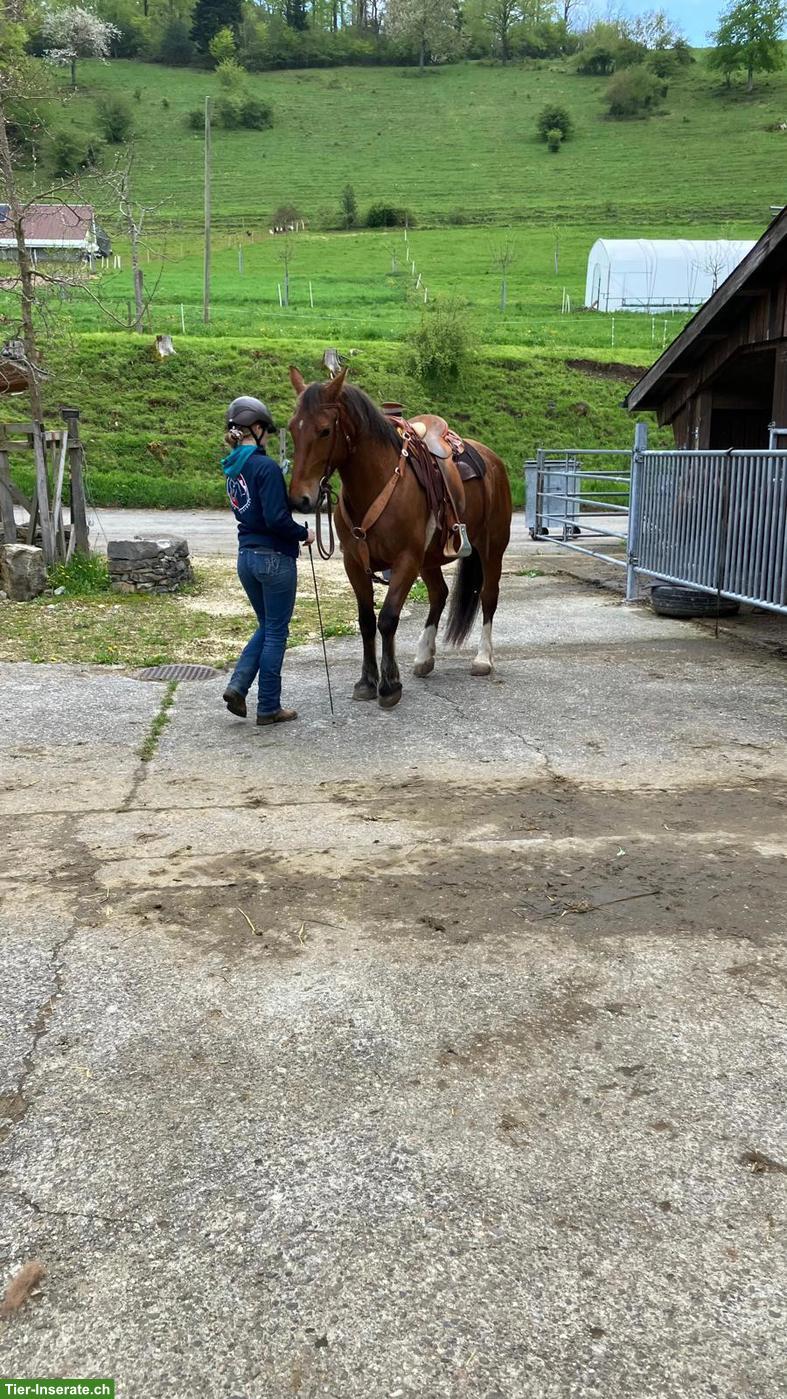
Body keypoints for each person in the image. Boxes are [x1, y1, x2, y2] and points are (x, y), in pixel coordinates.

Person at [221, 395, 315, 726]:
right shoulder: (265, 467)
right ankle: (269, 706)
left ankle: (238, 685)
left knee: (267, 626)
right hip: (274, 559)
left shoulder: (233, 467)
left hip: (246, 557)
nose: (268, 437)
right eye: (267, 432)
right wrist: (303, 533)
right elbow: (276, 519)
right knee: (276, 632)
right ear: (256, 428)